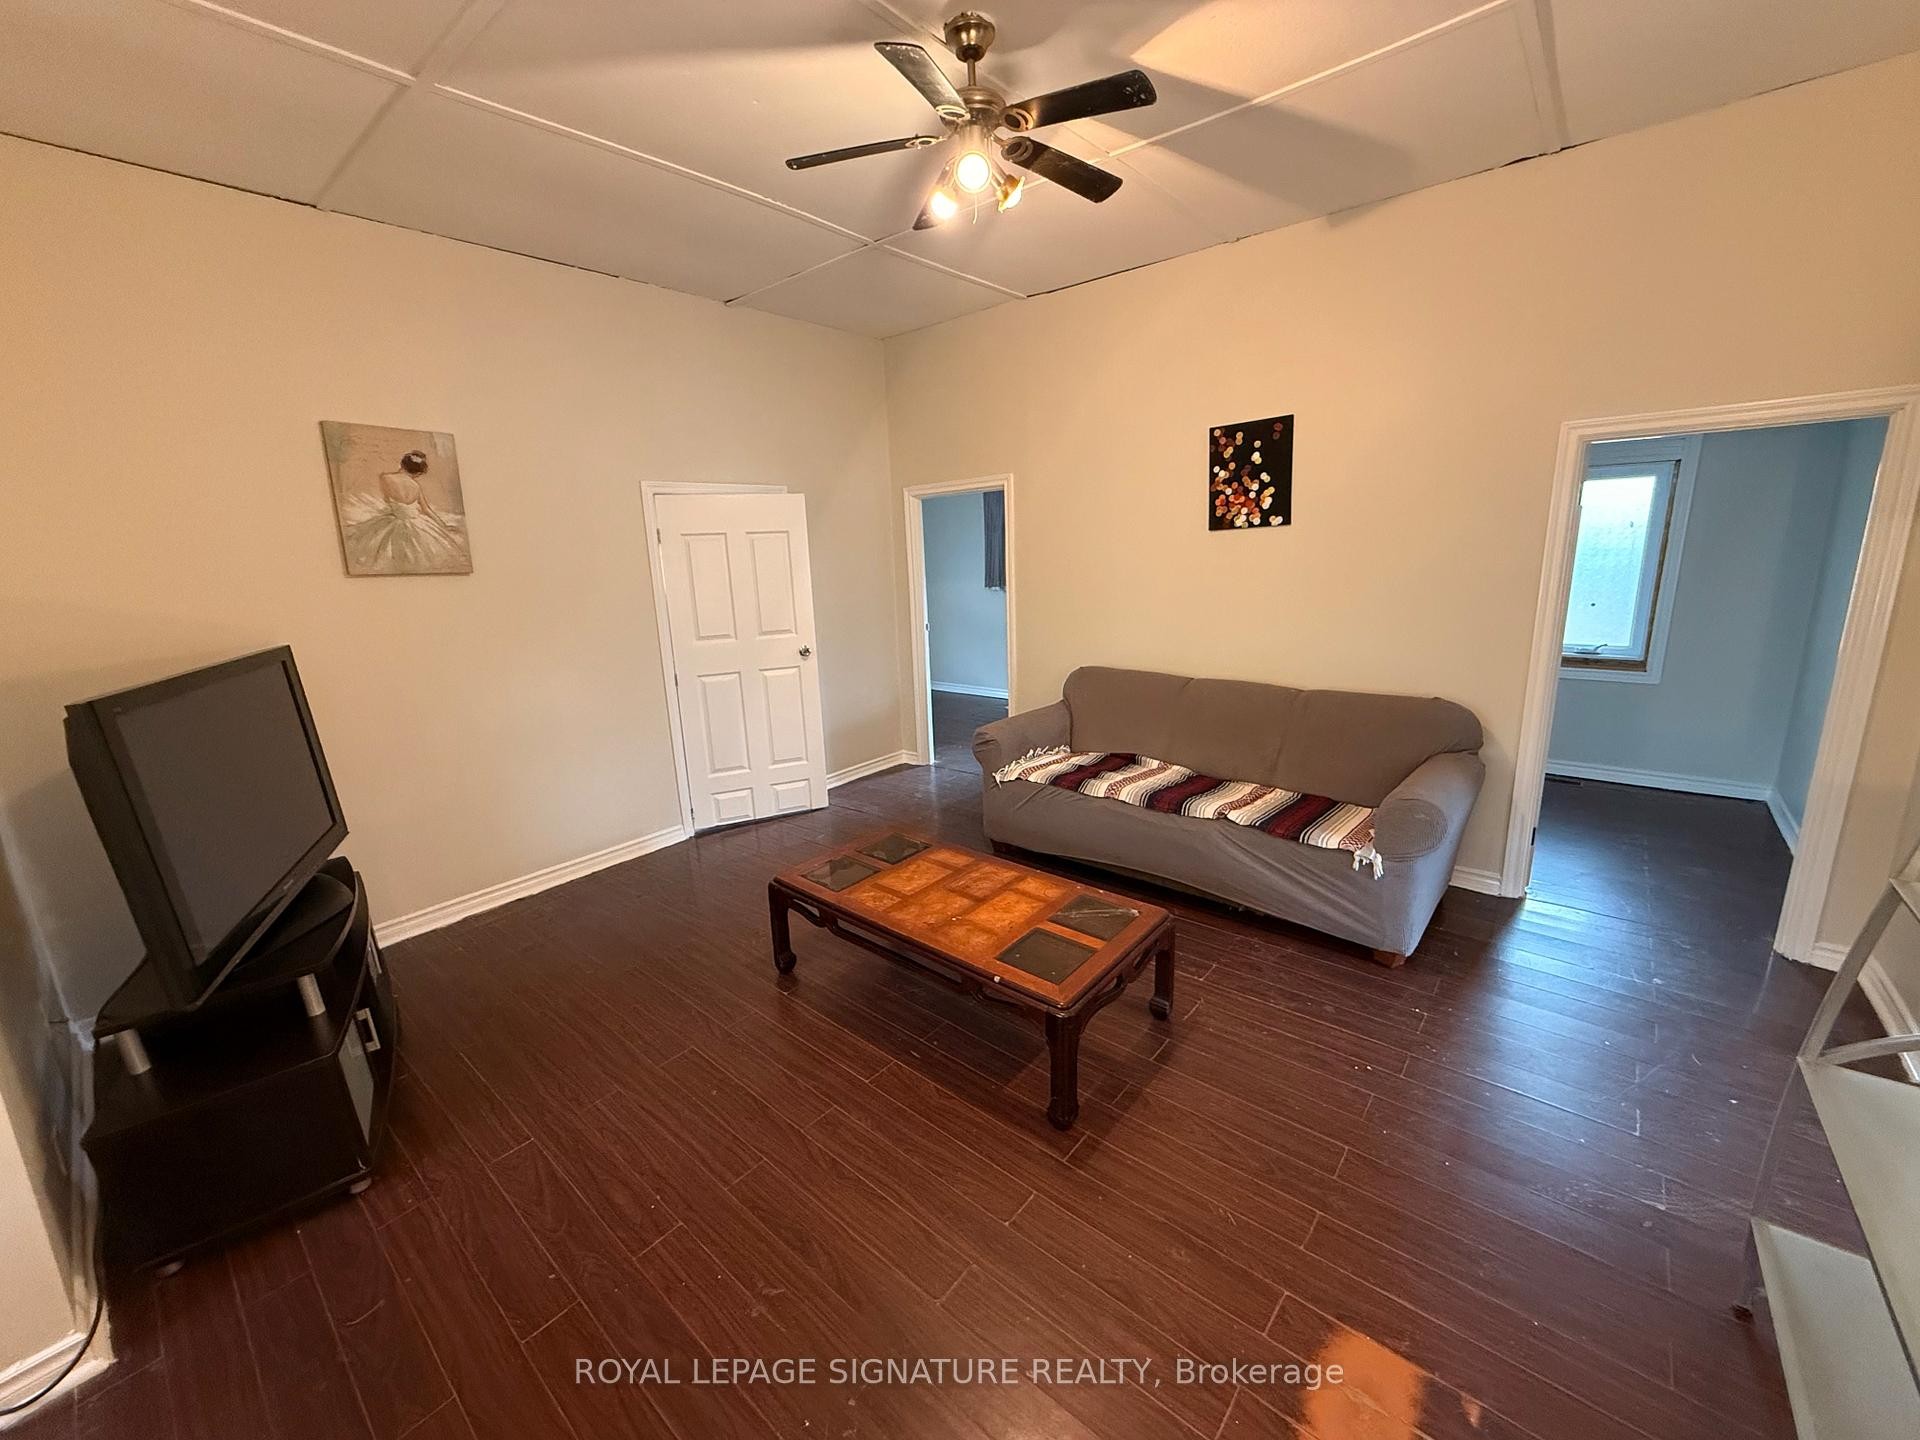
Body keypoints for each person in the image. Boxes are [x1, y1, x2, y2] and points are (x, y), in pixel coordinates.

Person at [338, 448, 467, 573]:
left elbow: (387, 500)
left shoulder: (386, 478)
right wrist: (443, 526)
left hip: (395, 518)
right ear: (418, 473)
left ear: (402, 464)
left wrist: (396, 507)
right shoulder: (416, 486)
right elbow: (426, 509)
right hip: (417, 522)